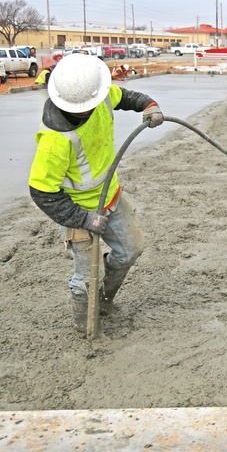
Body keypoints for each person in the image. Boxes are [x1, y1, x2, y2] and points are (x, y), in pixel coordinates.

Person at [28, 54, 164, 333]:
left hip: (110, 196)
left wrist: (149, 105)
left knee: (130, 251)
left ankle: (103, 300)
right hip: (79, 210)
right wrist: (83, 219)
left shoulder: (98, 95)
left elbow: (124, 96)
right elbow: (42, 192)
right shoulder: (55, 140)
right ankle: (85, 327)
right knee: (86, 278)